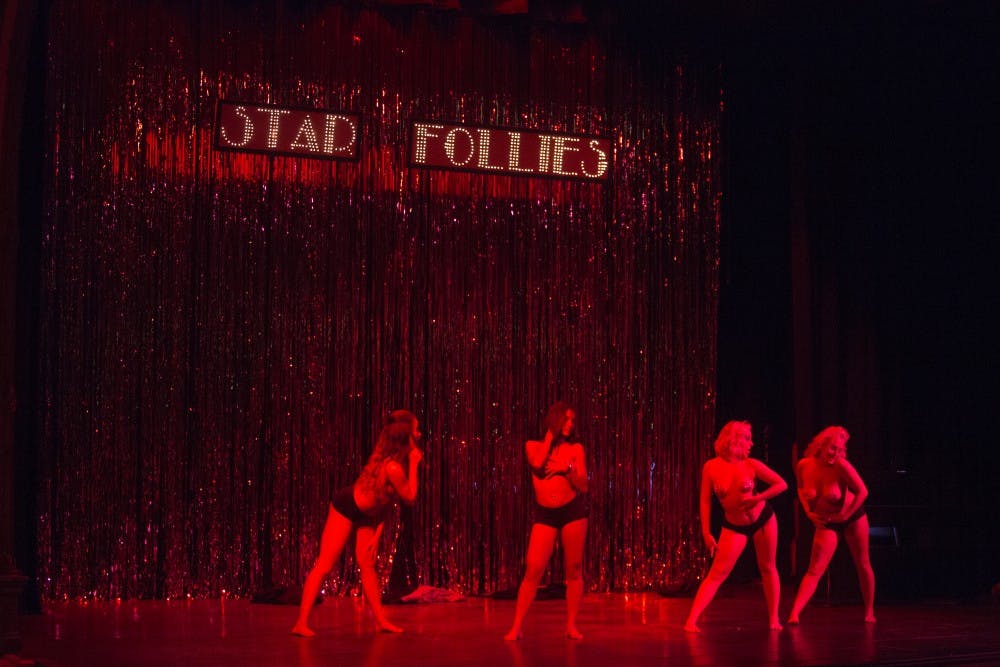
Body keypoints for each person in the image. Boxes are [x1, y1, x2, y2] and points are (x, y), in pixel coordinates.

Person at [291, 410, 423, 636]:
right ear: (406, 436)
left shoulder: (393, 463)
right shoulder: (394, 468)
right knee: (325, 564)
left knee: (368, 566)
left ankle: (381, 621)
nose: (419, 434)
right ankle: (300, 623)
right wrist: (414, 464)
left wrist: (377, 534)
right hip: (346, 506)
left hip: (367, 515)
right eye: (416, 430)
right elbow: (410, 498)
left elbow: (384, 503)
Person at [683, 420, 788, 632]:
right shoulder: (711, 467)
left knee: (768, 567)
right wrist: (706, 532)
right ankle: (691, 621)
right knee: (717, 573)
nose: (751, 443)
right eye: (748, 439)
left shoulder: (751, 464)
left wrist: (759, 499)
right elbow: (705, 501)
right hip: (734, 525)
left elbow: (781, 484)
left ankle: (774, 618)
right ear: (734, 440)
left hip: (763, 520)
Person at [504, 401, 589, 641]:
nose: (571, 425)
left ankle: (571, 625)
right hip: (545, 514)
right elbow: (538, 463)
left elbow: (584, 486)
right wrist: (550, 436)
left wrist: (569, 468)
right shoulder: (532, 446)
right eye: (566, 419)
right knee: (533, 568)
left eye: (573, 421)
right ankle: (516, 626)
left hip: (572, 511)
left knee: (573, 569)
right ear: (555, 419)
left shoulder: (576, 449)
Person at [787, 425, 876, 624]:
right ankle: (794, 613)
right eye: (832, 448)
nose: (835, 454)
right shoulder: (804, 465)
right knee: (814, 569)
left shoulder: (841, 466)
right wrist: (808, 512)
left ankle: (869, 611)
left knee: (862, 563)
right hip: (826, 521)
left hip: (853, 518)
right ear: (821, 445)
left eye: (839, 450)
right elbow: (801, 490)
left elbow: (863, 491)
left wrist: (846, 515)